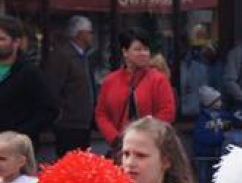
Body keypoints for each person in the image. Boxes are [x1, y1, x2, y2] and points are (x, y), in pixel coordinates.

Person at [95, 28, 176, 153]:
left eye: (146, 49)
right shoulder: (110, 81)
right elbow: (101, 114)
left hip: (152, 146)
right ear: (125, 52)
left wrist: (146, 136)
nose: (144, 53)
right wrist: (115, 139)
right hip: (119, 147)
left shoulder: (158, 79)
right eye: (138, 49)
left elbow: (167, 112)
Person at [0, 16, 58, 150]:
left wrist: (19, 134)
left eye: (2, 39)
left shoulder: (29, 73)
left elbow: (49, 110)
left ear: (16, 42)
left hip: (15, 149)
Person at [44, 15, 96, 158]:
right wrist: (61, 112)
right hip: (68, 123)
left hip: (84, 122)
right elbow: (53, 87)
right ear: (80, 34)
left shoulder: (84, 56)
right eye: (90, 32)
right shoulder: (63, 56)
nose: (92, 36)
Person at [190, 86, 233, 183]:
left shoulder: (223, 115)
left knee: (216, 179)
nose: (220, 102)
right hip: (204, 155)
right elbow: (201, 136)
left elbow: (231, 122)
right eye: (217, 100)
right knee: (203, 179)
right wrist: (220, 139)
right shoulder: (202, 119)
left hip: (217, 154)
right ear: (211, 102)